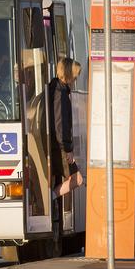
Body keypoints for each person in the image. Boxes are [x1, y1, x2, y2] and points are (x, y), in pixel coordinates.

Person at [48, 57, 84, 198]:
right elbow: (60, 123)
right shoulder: (60, 93)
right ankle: (50, 199)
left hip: (56, 144)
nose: (75, 80)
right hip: (60, 146)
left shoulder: (55, 87)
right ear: (68, 74)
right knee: (77, 180)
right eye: (75, 76)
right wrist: (67, 149)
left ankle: (50, 199)